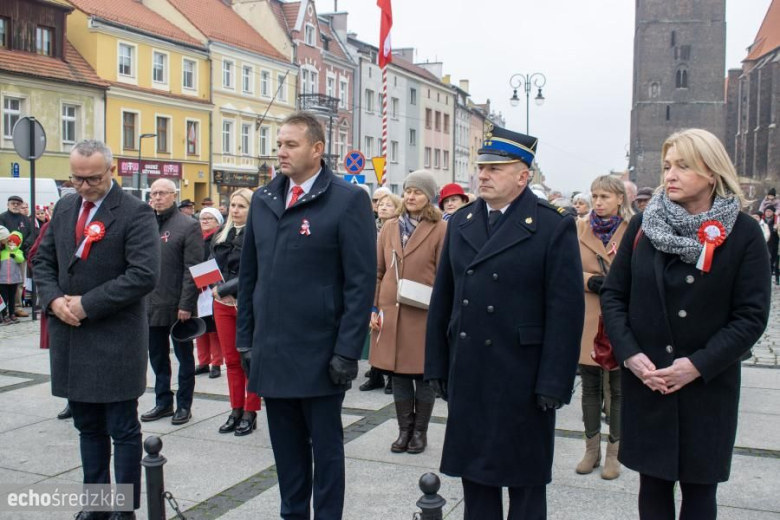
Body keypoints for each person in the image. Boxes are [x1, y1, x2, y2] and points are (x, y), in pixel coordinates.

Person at [601, 128, 771, 520]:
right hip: (650, 381)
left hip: (707, 386)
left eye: (683, 166)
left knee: (700, 490)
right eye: (667, 166)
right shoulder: (644, 226)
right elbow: (614, 295)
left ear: (711, 172)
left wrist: (697, 365)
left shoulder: (743, 233)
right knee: (652, 487)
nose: (670, 175)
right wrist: (630, 355)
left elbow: (751, 316)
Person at [425, 124, 584, 519]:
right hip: (471, 369)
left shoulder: (551, 224)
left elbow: (565, 312)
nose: (483, 175)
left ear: (522, 176)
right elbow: (443, 299)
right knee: (476, 480)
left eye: (495, 169)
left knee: (525, 483)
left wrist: (554, 381)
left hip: (522, 376)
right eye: (481, 167)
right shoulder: (461, 221)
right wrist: (437, 364)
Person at [236, 112, 376, 519]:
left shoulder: (347, 199)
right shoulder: (264, 199)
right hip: (272, 350)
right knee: (286, 450)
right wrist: (245, 339)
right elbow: (249, 277)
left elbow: (359, 283)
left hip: (321, 353)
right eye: (279, 144)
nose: (281, 151)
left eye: (291, 144)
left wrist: (347, 351)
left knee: (326, 453)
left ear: (317, 149)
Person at [33, 139, 160, 519]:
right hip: (72, 337)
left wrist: (87, 304)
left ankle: (124, 509)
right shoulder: (65, 207)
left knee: (123, 429)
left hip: (115, 338)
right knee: (87, 427)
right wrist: (54, 300)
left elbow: (143, 275)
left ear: (111, 170)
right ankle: (97, 504)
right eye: (77, 179)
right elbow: (43, 260)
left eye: (92, 179)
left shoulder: (136, 212)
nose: (84, 186)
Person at [369, 170, 446, 454]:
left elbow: (445, 274)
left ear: (429, 196)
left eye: (418, 192)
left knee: (423, 373)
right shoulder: (390, 227)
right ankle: (404, 430)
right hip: (391, 310)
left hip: (424, 311)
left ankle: (420, 432)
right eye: (408, 191)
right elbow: (378, 271)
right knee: (398, 373)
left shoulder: (441, 228)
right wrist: (373, 307)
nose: (411, 196)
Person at [575, 175, 632, 480]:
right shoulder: (579, 228)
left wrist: (618, 283)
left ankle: (614, 453)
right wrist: (590, 281)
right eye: (594, 196)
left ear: (620, 199)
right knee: (590, 387)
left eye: (605, 197)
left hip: (620, 316)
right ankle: (591, 449)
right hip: (588, 315)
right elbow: (566, 267)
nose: (597, 202)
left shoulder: (633, 229)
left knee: (619, 389)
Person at [141, 179, 203, 426]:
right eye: (154, 193)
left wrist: (186, 304)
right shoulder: (145, 223)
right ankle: (163, 401)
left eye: (162, 193)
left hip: (179, 306)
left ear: (174, 195)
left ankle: (184, 405)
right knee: (157, 357)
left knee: (184, 358)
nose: (157, 197)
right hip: (151, 304)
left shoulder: (188, 225)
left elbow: (193, 268)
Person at [211, 188, 260, 436]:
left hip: (247, 304)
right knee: (230, 360)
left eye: (242, 206)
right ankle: (235, 409)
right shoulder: (221, 233)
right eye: (232, 205)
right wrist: (214, 288)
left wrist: (226, 289)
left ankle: (251, 411)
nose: (235, 210)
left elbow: (256, 271)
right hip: (221, 304)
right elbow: (209, 265)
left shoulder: (258, 234)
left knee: (248, 359)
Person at [194, 207, 224, 379]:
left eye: (209, 218)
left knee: (213, 329)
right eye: (202, 218)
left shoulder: (219, 238)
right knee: (200, 327)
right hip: (197, 286)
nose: (204, 221)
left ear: (217, 222)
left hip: (212, 286)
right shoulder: (195, 237)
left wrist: (207, 281)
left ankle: (216, 363)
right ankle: (203, 361)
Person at [0, 195, 32, 317]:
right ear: (8, 204)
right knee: (2, 282)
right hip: (3, 255)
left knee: (18, 282)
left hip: (19, 255)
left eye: (18, 203)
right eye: (13, 203)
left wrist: (24, 245)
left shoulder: (26, 219)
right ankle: (3, 308)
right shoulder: (2, 217)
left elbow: (32, 234)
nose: (15, 205)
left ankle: (17, 307)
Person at [0, 228, 24, 325]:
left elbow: (21, 259)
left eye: (14, 244)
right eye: (10, 243)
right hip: (2, 280)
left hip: (14, 280)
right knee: (4, 298)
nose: (11, 245)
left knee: (12, 298)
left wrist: (15, 255)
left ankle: (12, 314)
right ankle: (4, 314)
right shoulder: (3, 252)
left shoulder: (18, 252)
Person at [764, 206, 779, 285]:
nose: (768, 213)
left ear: (773, 212)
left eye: (770, 211)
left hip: (773, 244)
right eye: (767, 211)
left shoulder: (776, 222)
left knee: (771, 261)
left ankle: (770, 279)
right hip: (764, 244)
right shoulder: (762, 221)